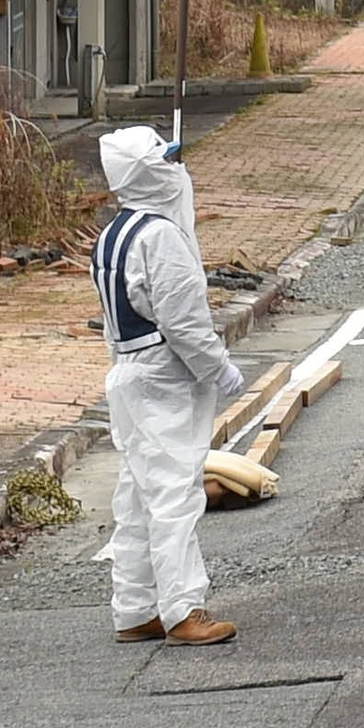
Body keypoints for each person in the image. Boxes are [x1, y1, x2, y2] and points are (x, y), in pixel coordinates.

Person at [92, 123, 240, 648]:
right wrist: (218, 368)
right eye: (167, 161)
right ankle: (182, 608)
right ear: (151, 172)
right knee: (175, 493)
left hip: (127, 376)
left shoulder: (113, 235)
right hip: (163, 376)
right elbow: (184, 322)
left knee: (135, 495)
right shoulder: (162, 239)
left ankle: (133, 608)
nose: (177, 169)